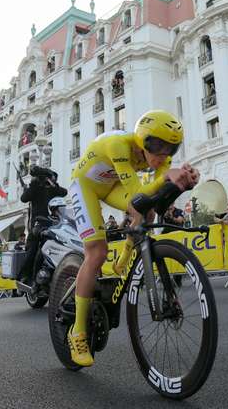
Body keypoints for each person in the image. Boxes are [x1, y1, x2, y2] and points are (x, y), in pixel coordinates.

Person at [66, 109, 197, 367]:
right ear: (142, 140)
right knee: (97, 252)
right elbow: (138, 192)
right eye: (157, 146)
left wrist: (183, 182)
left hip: (110, 185)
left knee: (146, 209)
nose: (162, 156)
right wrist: (166, 180)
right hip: (85, 186)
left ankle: (125, 257)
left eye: (170, 149)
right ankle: (77, 332)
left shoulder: (161, 158)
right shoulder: (118, 145)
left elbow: (155, 202)